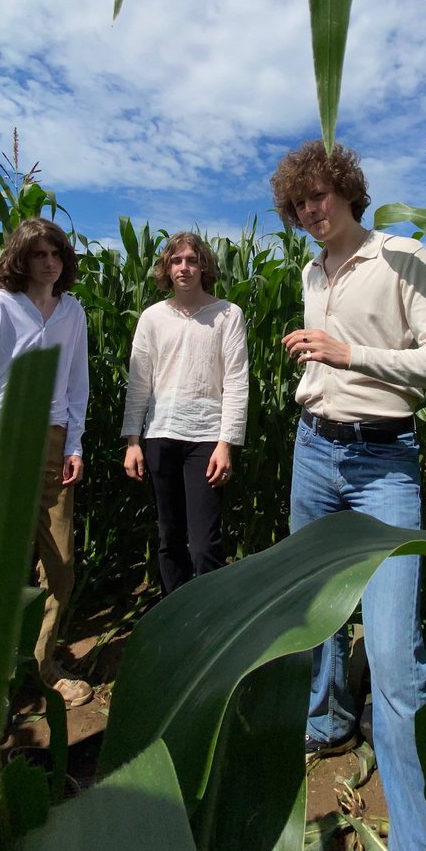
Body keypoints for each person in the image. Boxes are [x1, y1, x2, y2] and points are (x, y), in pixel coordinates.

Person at [271, 142, 426, 851]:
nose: (310, 212)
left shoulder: (402, 257)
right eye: (298, 205)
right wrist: (316, 375)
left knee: (394, 659)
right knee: (310, 613)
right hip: (314, 451)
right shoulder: (311, 272)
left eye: (319, 198)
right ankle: (324, 724)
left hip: (383, 465)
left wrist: (349, 355)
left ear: (348, 192)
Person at [0, 217, 93, 708]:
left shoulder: (71, 312)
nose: (50, 262)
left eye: (56, 254)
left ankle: (41, 665)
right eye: (39, 254)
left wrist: (74, 445)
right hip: (4, 434)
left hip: (53, 441)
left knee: (60, 566)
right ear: (21, 258)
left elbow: (77, 384)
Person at [121, 232, 249, 595]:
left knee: (206, 544)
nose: (184, 267)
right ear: (166, 268)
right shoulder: (152, 318)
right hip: (160, 435)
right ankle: (175, 623)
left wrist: (226, 443)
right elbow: (139, 382)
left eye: (191, 260)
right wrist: (133, 440)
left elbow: (237, 382)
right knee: (169, 538)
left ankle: (209, 626)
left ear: (203, 266)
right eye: (176, 261)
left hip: (206, 439)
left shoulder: (227, 315)